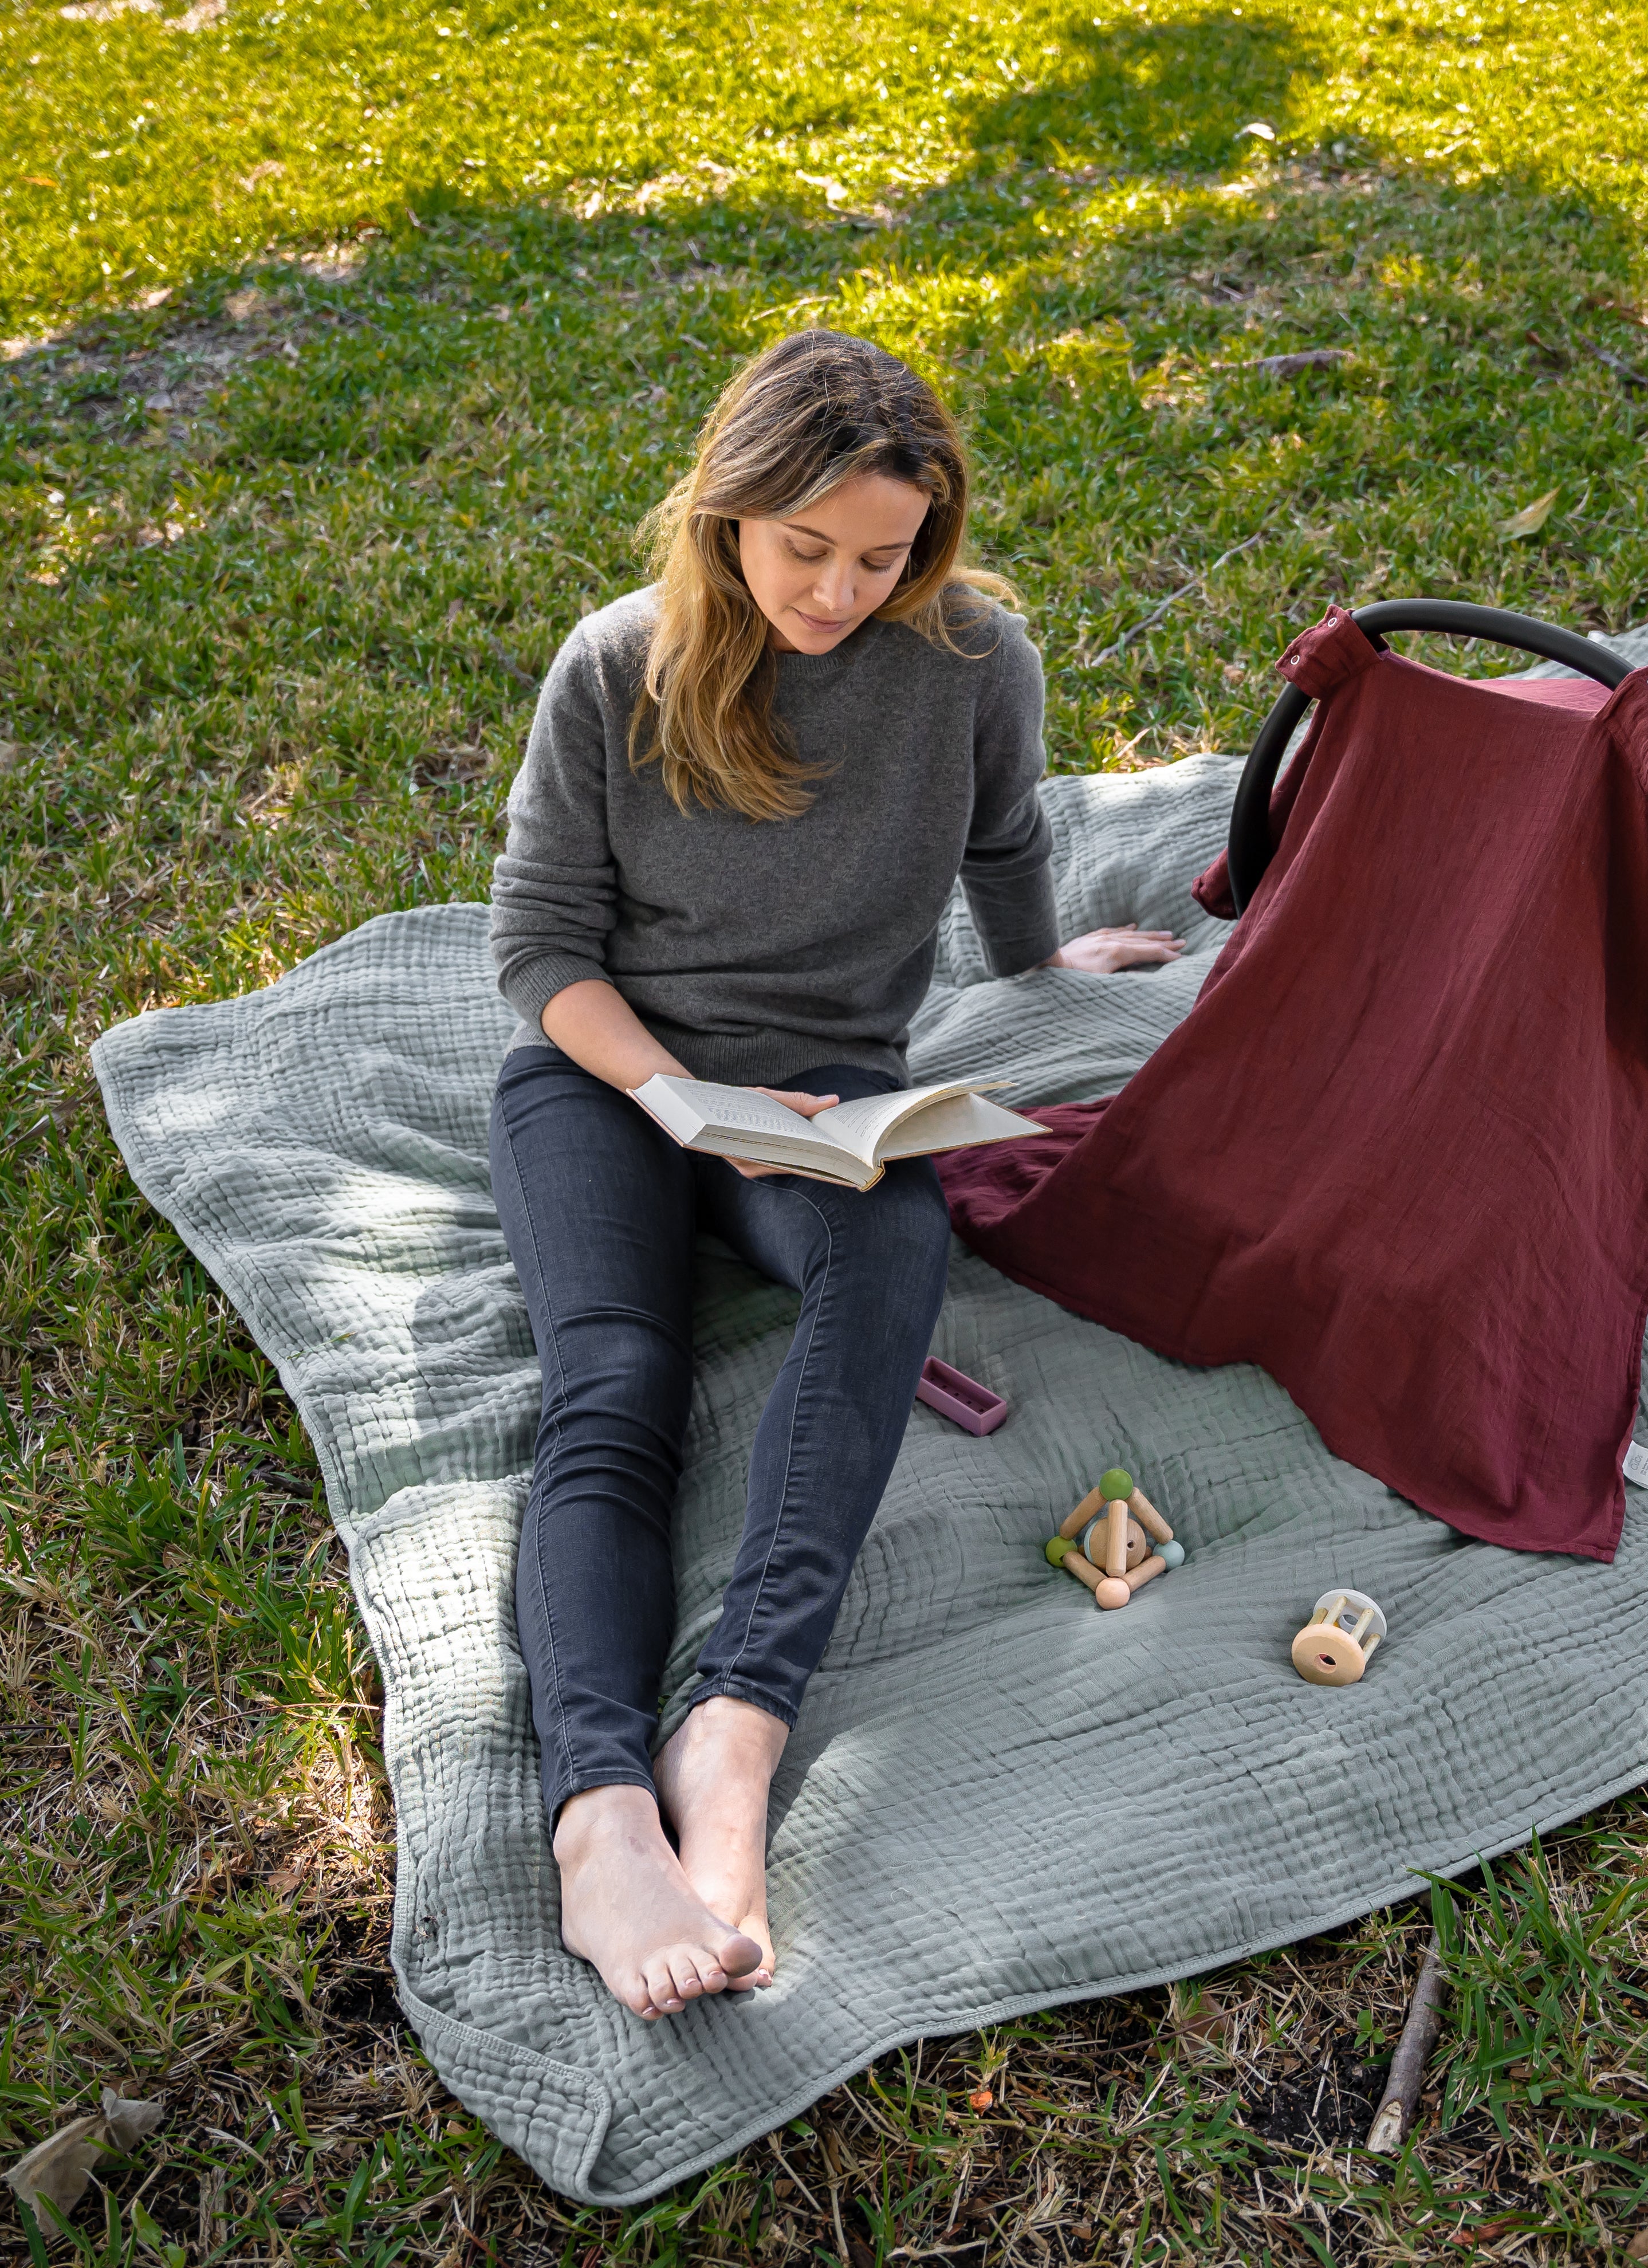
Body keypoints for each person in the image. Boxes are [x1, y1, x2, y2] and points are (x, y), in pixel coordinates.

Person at [487, 328, 1180, 2021]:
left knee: (895, 1251)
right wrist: (668, 1099)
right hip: (611, 1076)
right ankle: (599, 1812)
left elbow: (1009, 840)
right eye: (807, 549)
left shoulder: (969, 657)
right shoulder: (619, 668)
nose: (841, 590)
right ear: (731, 515)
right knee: (616, 1386)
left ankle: (737, 1728)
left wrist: (1046, 964)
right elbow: (538, 948)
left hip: (828, 1091)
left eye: (884, 556)